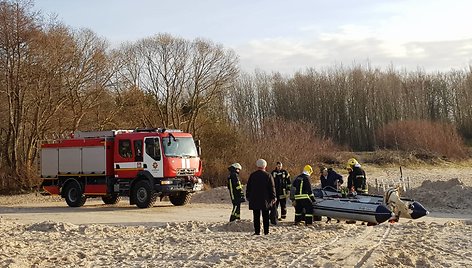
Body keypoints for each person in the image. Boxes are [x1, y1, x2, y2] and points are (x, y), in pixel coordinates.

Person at [246, 159, 276, 235]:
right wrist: (273, 197)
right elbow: (272, 187)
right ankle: (266, 231)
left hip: (254, 199)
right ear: (265, 166)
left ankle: (257, 231)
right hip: (265, 199)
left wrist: (248, 196)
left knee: (256, 216)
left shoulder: (253, 175)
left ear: (257, 166)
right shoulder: (268, 175)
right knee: (265, 216)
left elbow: (248, 187)